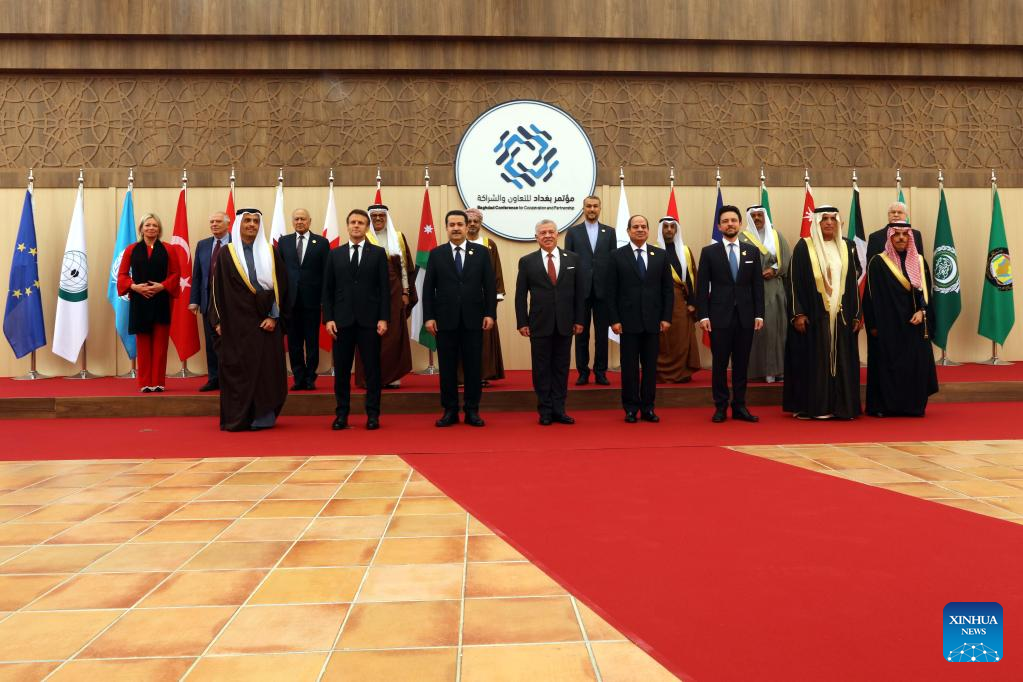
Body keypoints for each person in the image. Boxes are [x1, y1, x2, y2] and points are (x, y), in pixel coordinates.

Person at [209, 209, 289, 431]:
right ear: (239, 224)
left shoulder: (271, 252)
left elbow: (281, 287)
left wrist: (273, 316)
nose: (252, 224)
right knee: (239, 370)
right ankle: (239, 417)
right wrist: (218, 321)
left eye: (255, 221)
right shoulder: (226, 253)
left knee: (267, 370)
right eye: (247, 221)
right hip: (236, 325)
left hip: (265, 322)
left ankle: (263, 416)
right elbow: (216, 289)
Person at [783, 206, 862, 420]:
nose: (828, 222)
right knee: (816, 360)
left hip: (842, 314)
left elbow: (853, 283)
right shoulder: (804, 247)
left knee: (843, 359)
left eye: (832, 219)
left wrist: (857, 313)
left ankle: (842, 407)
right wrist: (797, 313)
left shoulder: (847, 246)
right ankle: (818, 407)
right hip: (815, 314)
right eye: (824, 219)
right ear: (816, 223)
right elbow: (793, 282)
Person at [422, 210, 497, 427]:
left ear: (466, 227)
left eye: (459, 224)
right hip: (445, 321)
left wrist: (490, 313)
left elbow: (489, 287)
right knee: (447, 368)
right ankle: (450, 410)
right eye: (452, 225)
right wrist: (429, 317)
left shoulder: (482, 253)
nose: (456, 228)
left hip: (474, 320)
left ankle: (472, 411)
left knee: (474, 367)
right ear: (446, 228)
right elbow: (428, 289)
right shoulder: (436, 254)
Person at [696, 206, 765, 423]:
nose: (730, 224)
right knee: (719, 365)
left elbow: (757, 286)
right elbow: (701, 287)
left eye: (733, 220)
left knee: (741, 364)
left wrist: (759, 314)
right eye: (725, 221)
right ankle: (720, 406)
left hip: (746, 317)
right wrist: (703, 316)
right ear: (719, 226)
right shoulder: (709, 252)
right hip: (719, 317)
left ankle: (740, 406)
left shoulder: (752, 251)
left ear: (740, 224)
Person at [323, 209, 390, 430]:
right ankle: (341, 415)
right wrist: (328, 319)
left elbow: (384, 289)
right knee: (342, 372)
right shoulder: (335, 254)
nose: (356, 226)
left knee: (372, 371)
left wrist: (384, 318)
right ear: (347, 226)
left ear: (367, 227)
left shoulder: (378, 254)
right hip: (341, 322)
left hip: (370, 321)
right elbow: (327, 290)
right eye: (353, 222)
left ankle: (373, 415)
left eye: (361, 223)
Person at [863, 222, 938, 416]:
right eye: (897, 234)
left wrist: (922, 312)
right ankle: (885, 407)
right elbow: (870, 298)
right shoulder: (878, 263)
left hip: (914, 325)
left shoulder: (919, 261)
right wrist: (873, 325)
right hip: (888, 326)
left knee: (915, 366)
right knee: (886, 366)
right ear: (890, 237)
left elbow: (925, 293)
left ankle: (913, 407)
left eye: (905, 234)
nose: (901, 238)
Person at [515, 219, 585, 425]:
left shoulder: (573, 258)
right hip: (539, 324)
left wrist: (579, 319)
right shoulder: (527, 261)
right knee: (541, 369)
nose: (547, 235)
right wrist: (522, 322)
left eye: (551, 232)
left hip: (566, 323)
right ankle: (545, 411)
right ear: (536, 237)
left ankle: (559, 410)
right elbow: (520, 295)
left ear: (557, 234)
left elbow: (580, 294)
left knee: (561, 368)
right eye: (543, 232)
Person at [606, 215, 673, 423]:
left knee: (650, 368)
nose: (640, 229)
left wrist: (666, 317)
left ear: (649, 230)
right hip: (627, 323)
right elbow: (610, 291)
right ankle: (630, 408)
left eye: (644, 226)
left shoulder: (660, 255)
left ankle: (648, 408)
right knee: (629, 369)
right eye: (635, 227)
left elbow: (667, 290)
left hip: (653, 322)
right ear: (628, 231)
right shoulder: (616, 256)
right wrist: (614, 320)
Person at [117, 213, 180, 393]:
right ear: (141, 228)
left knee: (160, 343)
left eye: (155, 225)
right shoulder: (131, 249)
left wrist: (163, 286)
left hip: (161, 300)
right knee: (143, 343)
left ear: (159, 229)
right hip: (139, 301)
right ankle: (144, 382)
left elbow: (176, 274)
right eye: (148, 225)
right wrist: (134, 287)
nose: (151, 228)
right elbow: (122, 275)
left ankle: (158, 382)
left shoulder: (169, 249)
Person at [355, 204, 416, 389]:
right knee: (369, 333)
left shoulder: (398, 237)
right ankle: (369, 376)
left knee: (394, 333)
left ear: (386, 217)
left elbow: (405, 267)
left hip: (395, 291)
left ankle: (392, 376)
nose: (378, 219)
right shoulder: (363, 237)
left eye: (381, 215)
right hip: (369, 292)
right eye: (374, 216)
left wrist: (405, 292)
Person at [564, 195, 616, 385]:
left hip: (603, 292)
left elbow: (613, 262)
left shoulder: (609, 232)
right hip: (580, 292)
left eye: (595, 206)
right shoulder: (573, 232)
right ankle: (583, 372)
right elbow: (568, 263)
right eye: (588, 206)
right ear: (583, 209)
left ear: (600, 209)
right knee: (581, 334)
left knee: (602, 335)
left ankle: (600, 372)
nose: (592, 209)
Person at [278, 208, 329, 391]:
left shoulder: (321, 243)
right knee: (294, 343)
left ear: (309, 221)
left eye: (303, 219)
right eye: (296, 219)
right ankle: (298, 378)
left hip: (312, 301)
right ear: (292, 221)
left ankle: (310, 377)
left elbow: (326, 273)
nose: (299, 222)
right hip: (291, 302)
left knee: (312, 342)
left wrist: (324, 299)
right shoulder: (284, 242)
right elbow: (279, 272)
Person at [740, 205, 789, 383]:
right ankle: (756, 370)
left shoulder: (777, 236)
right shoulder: (741, 238)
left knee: (775, 330)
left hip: (773, 289)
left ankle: (777, 370)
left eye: (760, 215)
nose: (757, 218)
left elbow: (786, 260)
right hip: (749, 290)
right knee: (754, 331)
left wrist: (774, 270)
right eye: (753, 216)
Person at [655, 217, 701, 384]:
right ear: (661, 229)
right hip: (659, 302)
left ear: (676, 230)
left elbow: (691, 278)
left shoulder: (685, 251)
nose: (669, 229)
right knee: (663, 339)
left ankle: (682, 372)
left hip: (681, 302)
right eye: (665, 226)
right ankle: (662, 373)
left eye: (672, 227)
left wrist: (692, 302)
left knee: (681, 338)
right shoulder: (653, 250)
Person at [188, 211, 230, 391]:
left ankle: (230, 380)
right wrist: (194, 300)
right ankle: (214, 379)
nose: (214, 224)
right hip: (207, 303)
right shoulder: (203, 245)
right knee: (211, 344)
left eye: (218, 221)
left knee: (230, 344)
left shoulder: (236, 243)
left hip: (230, 303)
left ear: (228, 224)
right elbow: (197, 275)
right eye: (212, 221)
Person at [465, 207, 505, 384]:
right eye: (469, 221)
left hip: (484, 300)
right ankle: (463, 376)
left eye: (476, 221)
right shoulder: (457, 244)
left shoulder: (489, 244)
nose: (472, 224)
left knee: (484, 338)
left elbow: (496, 271)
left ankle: (482, 375)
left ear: (480, 224)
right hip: (462, 300)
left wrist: (496, 296)